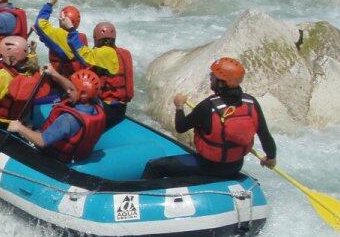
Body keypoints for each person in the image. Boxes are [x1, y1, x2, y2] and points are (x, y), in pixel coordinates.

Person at [142, 57, 277, 180]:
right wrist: (271, 158)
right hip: (235, 166)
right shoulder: (251, 103)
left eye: (213, 76)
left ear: (221, 83)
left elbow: (180, 127)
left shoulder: (208, 106)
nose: (210, 78)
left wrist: (179, 106)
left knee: (153, 166)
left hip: (207, 166)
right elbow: (265, 135)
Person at [7, 67, 106, 163]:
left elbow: (41, 141)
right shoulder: (96, 104)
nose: (67, 91)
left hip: (51, 156)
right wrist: (54, 73)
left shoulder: (68, 119)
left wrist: (19, 128)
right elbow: (73, 87)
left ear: (83, 94)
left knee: (20, 132)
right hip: (74, 154)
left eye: (71, 90)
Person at [67, 21, 134, 129]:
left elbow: (84, 55)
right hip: (120, 107)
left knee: (73, 112)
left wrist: (71, 30)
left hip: (108, 108)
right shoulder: (124, 53)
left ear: (96, 39)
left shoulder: (107, 53)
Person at [33, 0, 88, 77]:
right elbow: (59, 47)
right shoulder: (82, 37)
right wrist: (43, 37)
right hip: (77, 77)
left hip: (60, 78)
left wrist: (49, 4)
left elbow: (39, 24)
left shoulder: (57, 35)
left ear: (62, 20)